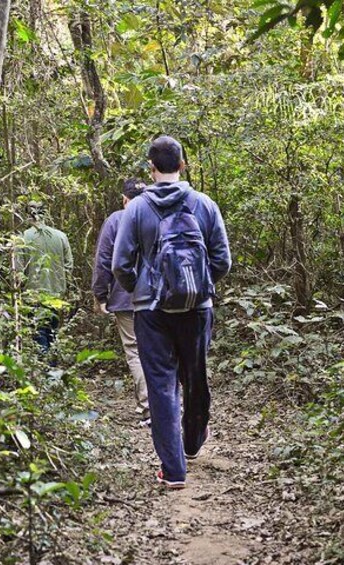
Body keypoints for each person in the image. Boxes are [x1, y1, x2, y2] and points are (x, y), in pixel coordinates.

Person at [112, 136, 231, 489]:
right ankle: (193, 443)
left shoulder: (136, 208)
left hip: (152, 311)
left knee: (162, 384)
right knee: (195, 374)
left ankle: (173, 470)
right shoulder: (204, 204)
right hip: (197, 308)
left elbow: (121, 264)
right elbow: (222, 260)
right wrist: (199, 285)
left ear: (151, 168)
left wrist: (143, 289)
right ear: (182, 165)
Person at [92, 178, 150, 425]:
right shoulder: (156, 217)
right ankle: (163, 403)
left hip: (126, 296)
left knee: (135, 351)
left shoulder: (116, 220)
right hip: (156, 296)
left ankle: (148, 406)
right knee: (157, 350)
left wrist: (100, 294)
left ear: (125, 199)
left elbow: (104, 259)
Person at [18, 203, 73, 354]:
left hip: (34, 294)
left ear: (28, 216)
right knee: (52, 331)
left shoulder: (24, 237)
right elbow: (69, 265)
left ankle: (46, 370)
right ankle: (52, 368)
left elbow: (18, 270)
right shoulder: (61, 236)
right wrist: (61, 282)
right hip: (57, 293)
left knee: (39, 332)